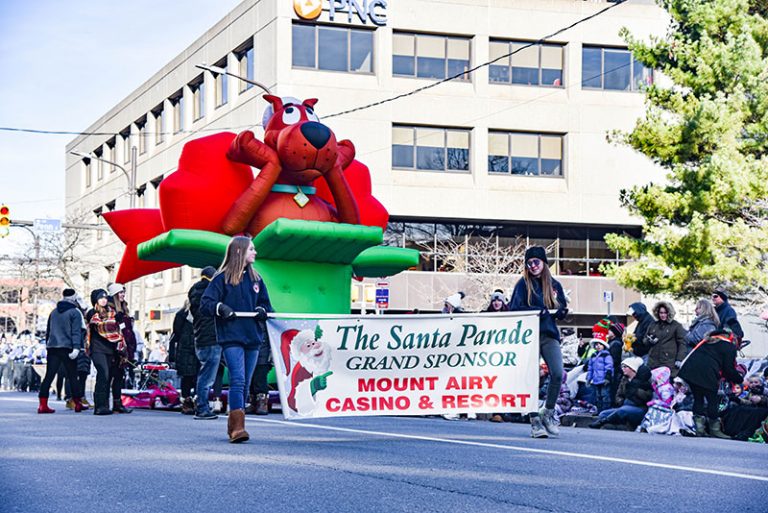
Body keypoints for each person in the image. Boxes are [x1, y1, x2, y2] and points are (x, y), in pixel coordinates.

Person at [201, 236, 274, 443]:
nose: (255, 252)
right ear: (240, 251)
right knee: (238, 379)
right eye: (252, 249)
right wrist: (220, 308)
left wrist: (262, 310)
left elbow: (266, 305)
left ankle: (235, 425)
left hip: (252, 336)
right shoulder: (221, 278)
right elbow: (206, 304)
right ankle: (237, 428)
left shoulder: (257, 279)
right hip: (231, 336)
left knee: (245, 382)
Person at [509, 246, 568, 438]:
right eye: (529, 263)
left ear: (544, 263)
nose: (533, 266)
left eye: (536, 262)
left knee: (558, 373)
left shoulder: (554, 285)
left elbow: (561, 307)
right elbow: (514, 309)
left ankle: (548, 412)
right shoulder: (522, 285)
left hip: (548, 334)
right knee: (532, 377)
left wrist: (561, 312)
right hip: (529, 336)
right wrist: (535, 309)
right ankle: (534, 419)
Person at [677, 330, 743, 438]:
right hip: (707, 374)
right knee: (713, 400)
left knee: (698, 399)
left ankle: (700, 429)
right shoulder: (729, 346)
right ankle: (715, 430)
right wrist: (740, 380)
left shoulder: (707, 341)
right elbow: (728, 369)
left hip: (691, 371)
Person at [37, 289, 86, 414]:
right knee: (73, 376)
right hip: (68, 348)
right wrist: (76, 347)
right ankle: (77, 403)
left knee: (49, 376)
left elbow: (48, 331)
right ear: (74, 298)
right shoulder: (75, 312)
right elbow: (76, 332)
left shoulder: (53, 312)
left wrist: (48, 345)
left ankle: (42, 404)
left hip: (53, 347)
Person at [86, 288, 132, 416]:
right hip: (97, 349)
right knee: (103, 374)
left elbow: (119, 331)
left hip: (111, 349)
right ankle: (99, 406)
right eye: (101, 298)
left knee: (109, 377)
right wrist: (115, 321)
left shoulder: (112, 312)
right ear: (96, 300)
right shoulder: (92, 313)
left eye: (105, 298)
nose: (104, 300)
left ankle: (106, 405)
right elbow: (103, 326)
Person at [188, 266, 221, 420]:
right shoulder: (211, 292)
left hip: (200, 338)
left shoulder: (194, 292)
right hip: (212, 337)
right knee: (207, 376)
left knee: (204, 373)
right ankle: (202, 408)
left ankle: (202, 406)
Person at [589, 357, 652, 430]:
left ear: (632, 368)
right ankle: (610, 425)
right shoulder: (624, 380)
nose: (623, 369)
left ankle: (602, 422)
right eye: (622, 366)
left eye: (625, 367)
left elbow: (648, 396)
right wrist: (622, 402)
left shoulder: (643, 380)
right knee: (603, 414)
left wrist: (636, 391)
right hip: (625, 405)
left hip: (639, 407)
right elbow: (618, 395)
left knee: (623, 411)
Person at [168, 301, 199, 415]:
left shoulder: (185, 314)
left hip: (191, 348)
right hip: (186, 348)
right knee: (188, 376)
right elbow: (176, 334)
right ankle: (187, 400)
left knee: (194, 376)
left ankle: (191, 400)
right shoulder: (182, 315)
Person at [107, 283, 139, 388]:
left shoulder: (124, 307)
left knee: (119, 376)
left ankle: (118, 402)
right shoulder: (110, 309)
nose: (123, 294)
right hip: (115, 348)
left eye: (123, 292)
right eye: (121, 292)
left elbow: (128, 330)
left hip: (127, 348)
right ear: (115, 294)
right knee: (111, 375)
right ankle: (104, 401)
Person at [644, 301, 687, 378]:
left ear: (669, 313)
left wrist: (679, 359)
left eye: (665, 313)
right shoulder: (653, 325)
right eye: (661, 313)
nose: (663, 315)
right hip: (653, 362)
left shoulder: (676, 326)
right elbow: (645, 339)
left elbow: (682, 343)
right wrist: (649, 341)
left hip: (668, 363)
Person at [586, 331, 613, 413]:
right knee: (598, 396)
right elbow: (590, 368)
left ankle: (606, 411)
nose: (598, 346)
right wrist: (588, 378)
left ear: (604, 345)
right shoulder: (593, 356)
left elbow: (609, 367)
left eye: (600, 344)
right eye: (596, 344)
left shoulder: (606, 355)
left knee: (605, 395)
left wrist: (608, 377)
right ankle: (599, 410)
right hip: (596, 380)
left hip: (604, 380)